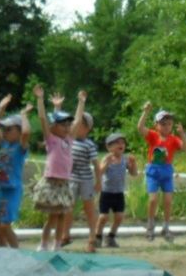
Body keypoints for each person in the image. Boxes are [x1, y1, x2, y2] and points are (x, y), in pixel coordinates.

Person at [31, 85, 86, 252]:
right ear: (54, 126)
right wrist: (40, 99)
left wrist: (81, 102)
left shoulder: (68, 140)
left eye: (68, 125)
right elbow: (42, 118)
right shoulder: (51, 139)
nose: (67, 128)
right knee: (52, 217)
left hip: (64, 183)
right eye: (63, 125)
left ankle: (57, 244)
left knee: (62, 216)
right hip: (52, 182)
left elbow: (77, 121)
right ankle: (43, 243)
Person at [137, 104, 186, 241]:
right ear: (156, 125)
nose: (166, 127)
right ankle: (150, 226)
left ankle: (166, 227)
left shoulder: (174, 139)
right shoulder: (153, 136)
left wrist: (182, 134)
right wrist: (145, 112)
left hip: (166, 172)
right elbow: (140, 128)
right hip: (153, 171)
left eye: (169, 124)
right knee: (153, 200)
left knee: (168, 201)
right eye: (163, 124)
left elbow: (185, 147)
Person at [0, 96, 32, 248]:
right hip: (2, 189)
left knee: (4, 226)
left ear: (19, 132)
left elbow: (26, 132)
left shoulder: (20, 148)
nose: (5, 132)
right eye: (5, 129)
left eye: (9, 129)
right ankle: (3, 251)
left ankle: (15, 252)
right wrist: (1, 108)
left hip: (13, 190)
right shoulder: (5, 144)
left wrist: (23, 115)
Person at [64, 111, 100, 252]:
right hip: (71, 179)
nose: (74, 126)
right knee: (68, 208)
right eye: (74, 123)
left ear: (87, 128)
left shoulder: (89, 145)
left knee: (89, 209)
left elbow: (96, 164)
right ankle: (65, 235)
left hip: (86, 180)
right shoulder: (69, 140)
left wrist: (98, 181)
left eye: (79, 124)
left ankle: (92, 238)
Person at [95, 132, 138, 248]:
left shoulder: (125, 160)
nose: (121, 145)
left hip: (119, 193)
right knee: (103, 217)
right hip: (106, 193)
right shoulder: (107, 158)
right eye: (117, 143)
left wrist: (133, 163)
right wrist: (106, 164)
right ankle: (97, 237)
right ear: (109, 147)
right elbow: (99, 173)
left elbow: (134, 173)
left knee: (119, 217)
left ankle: (111, 237)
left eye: (123, 143)